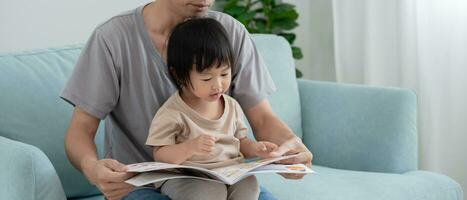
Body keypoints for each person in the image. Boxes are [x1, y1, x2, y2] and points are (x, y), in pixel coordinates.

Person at [61, 0, 313, 200]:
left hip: (222, 180)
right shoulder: (113, 38)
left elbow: (262, 117)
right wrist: (92, 168)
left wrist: (288, 149)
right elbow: (80, 130)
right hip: (140, 185)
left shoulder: (230, 33)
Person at [146, 18, 279, 200]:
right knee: (209, 193)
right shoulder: (172, 113)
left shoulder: (231, 105)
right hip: (189, 177)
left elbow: (239, 142)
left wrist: (256, 148)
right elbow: (160, 155)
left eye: (224, 74)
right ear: (178, 74)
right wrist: (190, 147)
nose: (218, 85)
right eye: (207, 79)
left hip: (229, 172)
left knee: (249, 185)